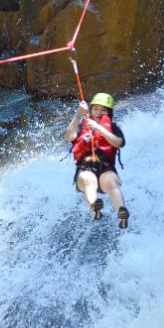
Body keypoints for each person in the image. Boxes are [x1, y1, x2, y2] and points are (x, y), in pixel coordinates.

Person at [64, 92, 129, 229]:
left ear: (109, 112)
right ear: (91, 109)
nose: (99, 112)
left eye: (103, 110)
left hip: (105, 168)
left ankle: (121, 213)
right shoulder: (82, 125)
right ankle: (95, 207)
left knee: (112, 182)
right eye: (95, 109)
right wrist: (78, 114)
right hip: (85, 168)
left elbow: (119, 143)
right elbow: (69, 136)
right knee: (89, 180)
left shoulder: (112, 128)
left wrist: (98, 127)